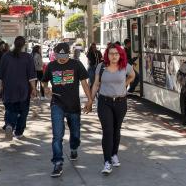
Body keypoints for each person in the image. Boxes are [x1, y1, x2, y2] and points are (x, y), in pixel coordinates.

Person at [42, 42, 93, 178]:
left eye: (65, 55)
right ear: (55, 54)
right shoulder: (51, 66)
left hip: (73, 105)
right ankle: (58, 163)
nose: (63, 58)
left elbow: (84, 82)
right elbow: (44, 80)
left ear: (69, 54)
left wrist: (89, 99)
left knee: (75, 133)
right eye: (60, 55)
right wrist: (46, 88)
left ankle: (74, 147)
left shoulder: (76, 64)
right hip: (57, 104)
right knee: (57, 136)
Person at [91, 43, 135, 175]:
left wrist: (125, 84)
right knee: (108, 131)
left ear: (120, 54)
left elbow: (133, 76)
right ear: (107, 55)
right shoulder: (101, 66)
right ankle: (107, 161)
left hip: (121, 102)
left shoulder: (125, 66)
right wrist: (90, 101)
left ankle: (114, 154)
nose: (114, 56)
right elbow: (96, 84)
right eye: (111, 53)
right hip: (104, 102)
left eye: (116, 53)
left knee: (116, 129)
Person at [0, 36, 37, 140]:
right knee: (23, 111)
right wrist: (34, 89)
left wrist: (0, 89)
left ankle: (9, 125)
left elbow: (1, 75)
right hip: (23, 89)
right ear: (24, 45)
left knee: (10, 109)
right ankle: (19, 132)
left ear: (14, 43)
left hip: (9, 89)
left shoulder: (5, 56)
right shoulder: (28, 57)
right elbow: (31, 76)